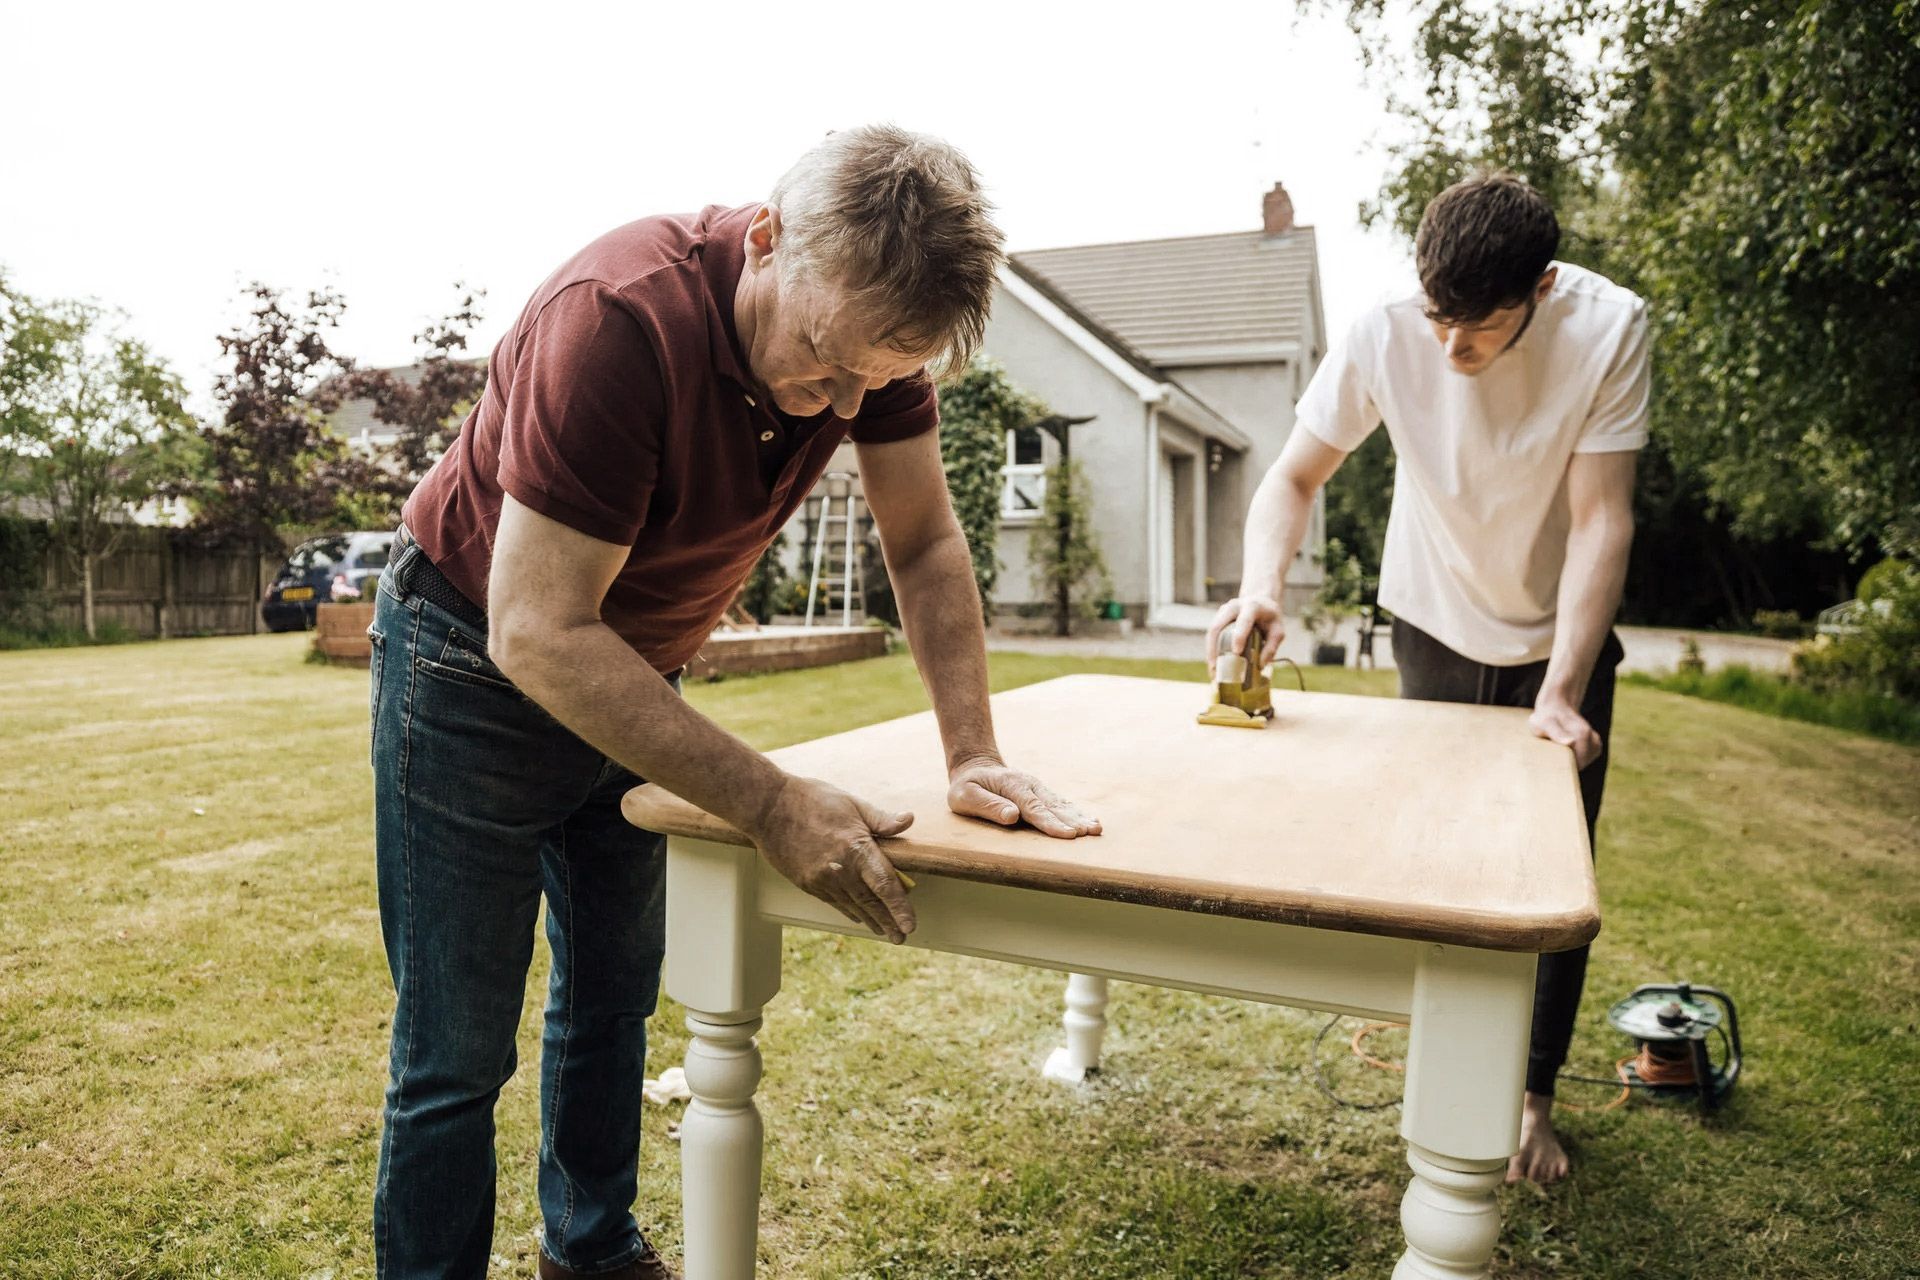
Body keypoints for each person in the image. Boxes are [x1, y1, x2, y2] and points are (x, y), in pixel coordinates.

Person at [369, 125, 1101, 1279]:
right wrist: (771, 800)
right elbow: (539, 628)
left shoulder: (867, 344)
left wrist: (971, 749)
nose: (847, 401)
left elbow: (920, 539)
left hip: (633, 666)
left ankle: (593, 1248)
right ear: (766, 237)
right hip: (472, 659)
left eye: (878, 375)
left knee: (613, 1001)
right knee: (455, 1051)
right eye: (827, 360)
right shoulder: (615, 320)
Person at [1209, 171, 1647, 1185]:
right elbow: (1292, 475)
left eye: (1478, 328)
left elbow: (1601, 518)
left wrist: (1564, 686)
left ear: (1540, 286)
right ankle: (1450, 1051)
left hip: (1557, 636)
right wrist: (1261, 586)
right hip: (1433, 620)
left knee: (1553, 879)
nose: (1451, 348)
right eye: (1437, 316)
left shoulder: (1609, 326)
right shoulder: (1385, 331)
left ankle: (1533, 1098)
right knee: (1439, 853)